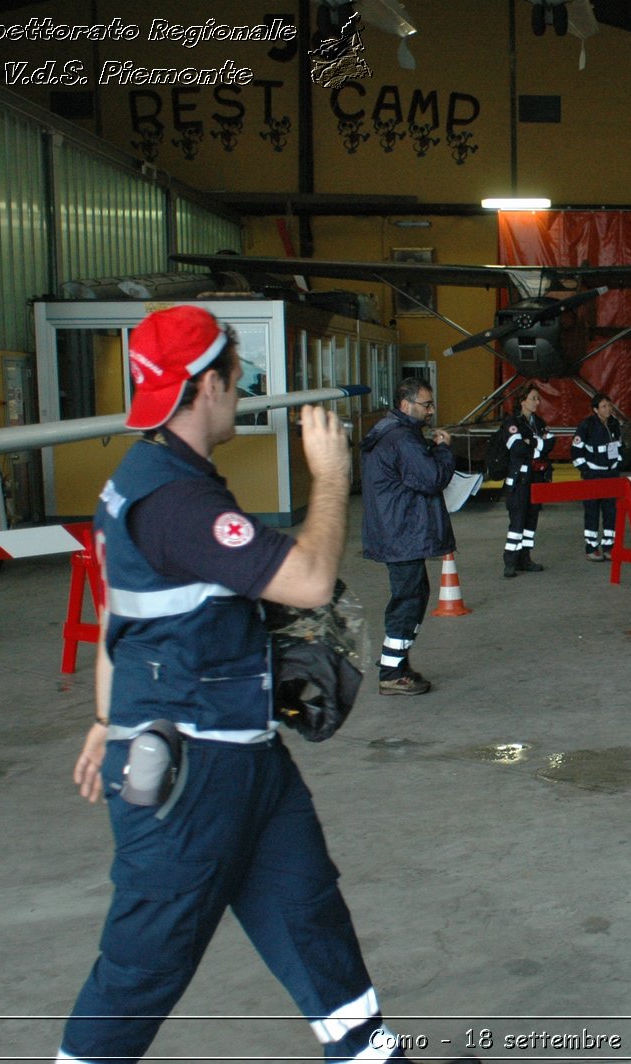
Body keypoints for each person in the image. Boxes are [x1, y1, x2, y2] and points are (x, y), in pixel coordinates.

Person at [62, 305, 454, 1063]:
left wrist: (106, 721)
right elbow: (307, 580)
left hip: (245, 760)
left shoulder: (146, 480)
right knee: (140, 969)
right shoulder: (175, 502)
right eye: (238, 379)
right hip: (191, 780)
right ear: (208, 384)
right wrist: (332, 480)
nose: (241, 393)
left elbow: (121, 618)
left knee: (311, 922)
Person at [360, 376, 455, 696]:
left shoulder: (389, 432)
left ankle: (395, 662)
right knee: (408, 599)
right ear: (406, 405)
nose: (430, 411)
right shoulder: (402, 439)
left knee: (413, 595)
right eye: (426, 405)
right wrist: (442, 451)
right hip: (402, 532)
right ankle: (392, 672)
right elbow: (431, 478)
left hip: (395, 530)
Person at [500, 382, 554, 577]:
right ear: (522, 401)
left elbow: (551, 442)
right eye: (533, 398)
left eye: (538, 398)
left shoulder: (538, 423)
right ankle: (510, 561)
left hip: (536, 480)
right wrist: (538, 445)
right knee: (517, 522)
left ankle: (525, 558)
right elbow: (517, 448)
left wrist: (531, 442)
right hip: (519, 481)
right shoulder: (511, 423)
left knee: (531, 521)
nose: (537, 402)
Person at [570, 392, 623, 560]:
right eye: (604, 407)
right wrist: (585, 470)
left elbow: (619, 446)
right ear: (595, 409)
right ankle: (591, 547)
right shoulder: (586, 425)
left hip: (611, 474)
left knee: (610, 511)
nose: (608, 409)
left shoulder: (614, 424)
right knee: (592, 511)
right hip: (593, 474)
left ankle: (609, 546)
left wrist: (618, 464)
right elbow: (575, 451)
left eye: (609, 405)